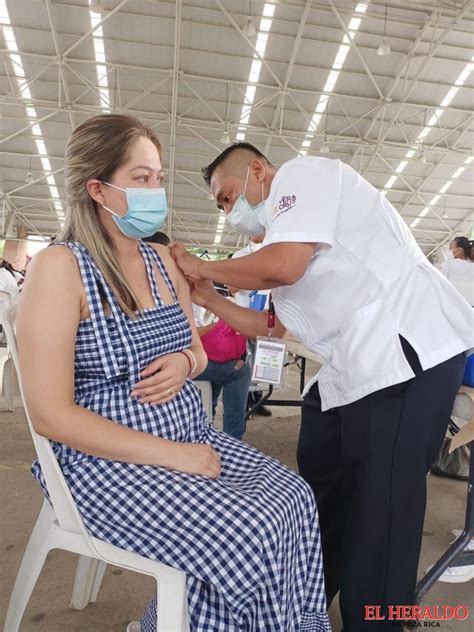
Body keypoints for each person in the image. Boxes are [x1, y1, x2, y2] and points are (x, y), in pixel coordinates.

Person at [16, 117, 330, 632]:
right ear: (98, 189)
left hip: (188, 434)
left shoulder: (164, 260)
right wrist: (176, 456)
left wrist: (185, 362)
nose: (155, 192)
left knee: (295, 498)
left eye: (158, 178)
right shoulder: (60, 267)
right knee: (246, 532)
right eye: (141, 179)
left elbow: (198, 356)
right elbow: (51, 415)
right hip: (105, 463)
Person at [170, 142, 473, 631]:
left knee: (383, 505)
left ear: (256, 171)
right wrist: (207, 294)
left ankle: (377, 619)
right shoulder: (271, 242)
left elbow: (285, 264)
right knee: (323, 465)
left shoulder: (303, 177)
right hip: (358, 361)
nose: (230, 213)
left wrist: (203, 267)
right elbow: (271, 326)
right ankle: (309, 596)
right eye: (223, 207)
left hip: (406, 348)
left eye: (228, 197)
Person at [230, 235, 273, 417]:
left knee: (262, 362)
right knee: (243, 362)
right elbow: (231, 288)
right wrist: (251, 278)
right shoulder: (240, 256)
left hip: (267, 319)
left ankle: (258, 400)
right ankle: (243, 402)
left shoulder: (274, 253)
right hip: (244, 318)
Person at [194, 313, 251, 440]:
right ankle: (233, 439)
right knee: (240, 372)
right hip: (187, 361)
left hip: (200, 357)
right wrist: (213, 325)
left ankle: (209, 423)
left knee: (227, 368)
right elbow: (186, 336)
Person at [440, 235, 473, 305]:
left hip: (454, 305)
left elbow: (440, 284)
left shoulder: (448, 265)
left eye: (450, 248)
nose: (448, 250)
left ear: (459, 250)